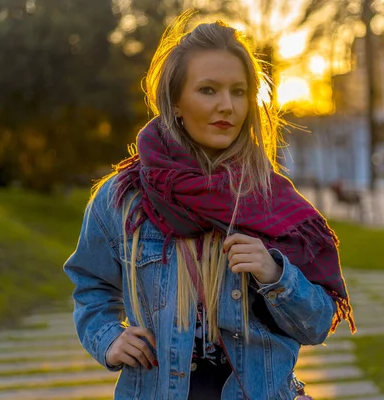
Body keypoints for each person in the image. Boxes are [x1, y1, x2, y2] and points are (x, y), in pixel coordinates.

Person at [64, 11, 355, 400]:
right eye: (208, 90)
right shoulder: (122, 200)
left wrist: (275, 274)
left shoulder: (272, 201)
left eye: (238, 91)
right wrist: (107, 337)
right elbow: (91, 285)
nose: (227, 106)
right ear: (176, 102)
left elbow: (317, 324)